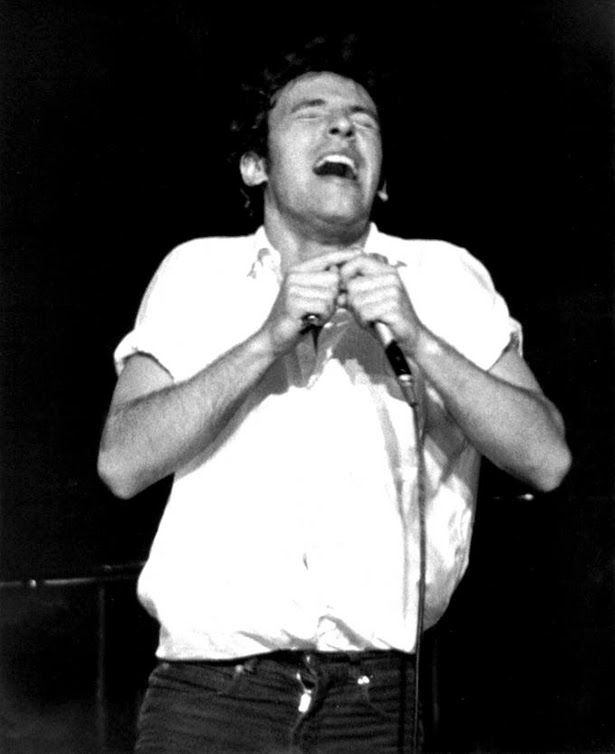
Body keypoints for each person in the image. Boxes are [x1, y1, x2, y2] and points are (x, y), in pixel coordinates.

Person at [97, 39, 571, 753]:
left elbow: (546, 459)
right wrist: (267, 337)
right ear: (255, 165)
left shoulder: (443, 276)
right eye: (311, 113)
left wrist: (419, 337)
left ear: (381, 181)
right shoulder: (198, 272)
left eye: (362, 120)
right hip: (210, 698)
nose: (343, 127)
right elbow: (122, 464)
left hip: (376, 703)